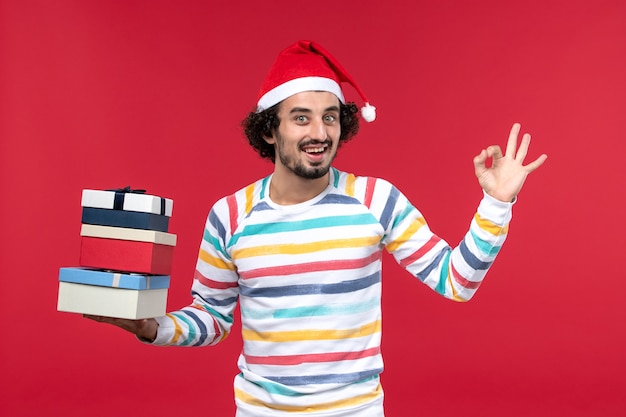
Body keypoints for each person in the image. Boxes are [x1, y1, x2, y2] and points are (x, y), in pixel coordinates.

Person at [86, 40, 547, 416]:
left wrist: (496, 203)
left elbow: (456, 282)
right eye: (301, 117)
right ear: (270, 129)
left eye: (330, 117)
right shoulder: (229, 215)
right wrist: (151, 327)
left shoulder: (375, 200)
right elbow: (213, 317)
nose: (319, 133)